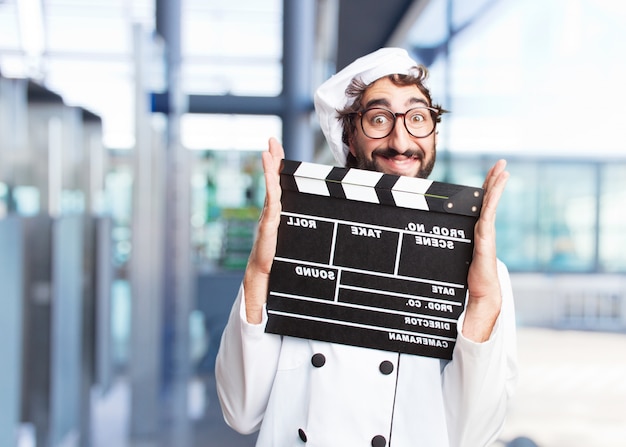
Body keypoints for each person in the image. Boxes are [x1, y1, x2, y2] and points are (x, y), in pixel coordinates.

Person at [215, 47, 517, 447]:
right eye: (378, 119)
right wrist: (259, 274)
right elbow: (240, 411)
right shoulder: (292, 246)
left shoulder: (486, 277)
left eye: (418, 118)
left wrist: (479, 304)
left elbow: (472, 436)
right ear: (350, 139)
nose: (400, 140)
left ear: (434, 135)